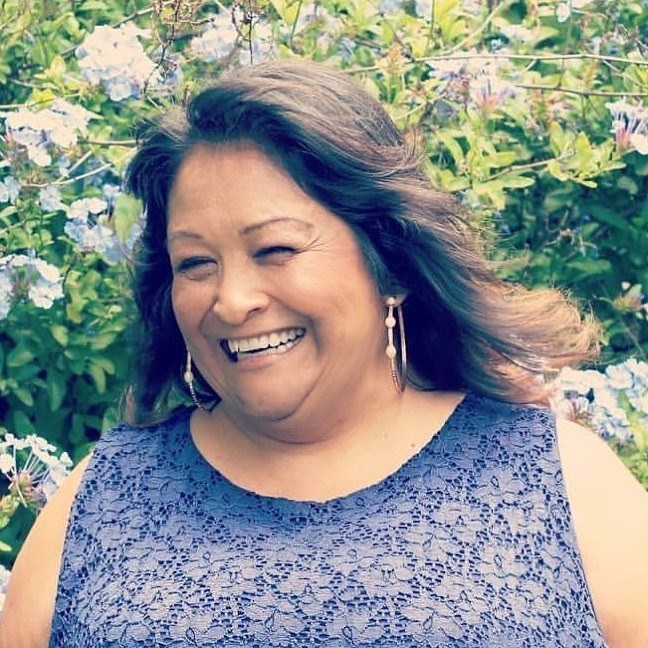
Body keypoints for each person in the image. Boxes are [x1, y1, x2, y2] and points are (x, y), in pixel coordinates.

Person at [1, 60, 647, 648]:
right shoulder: (103, 498)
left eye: (275, 250)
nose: (232, 301)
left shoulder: (559, 481)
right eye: (195, 263)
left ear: (390, 262)